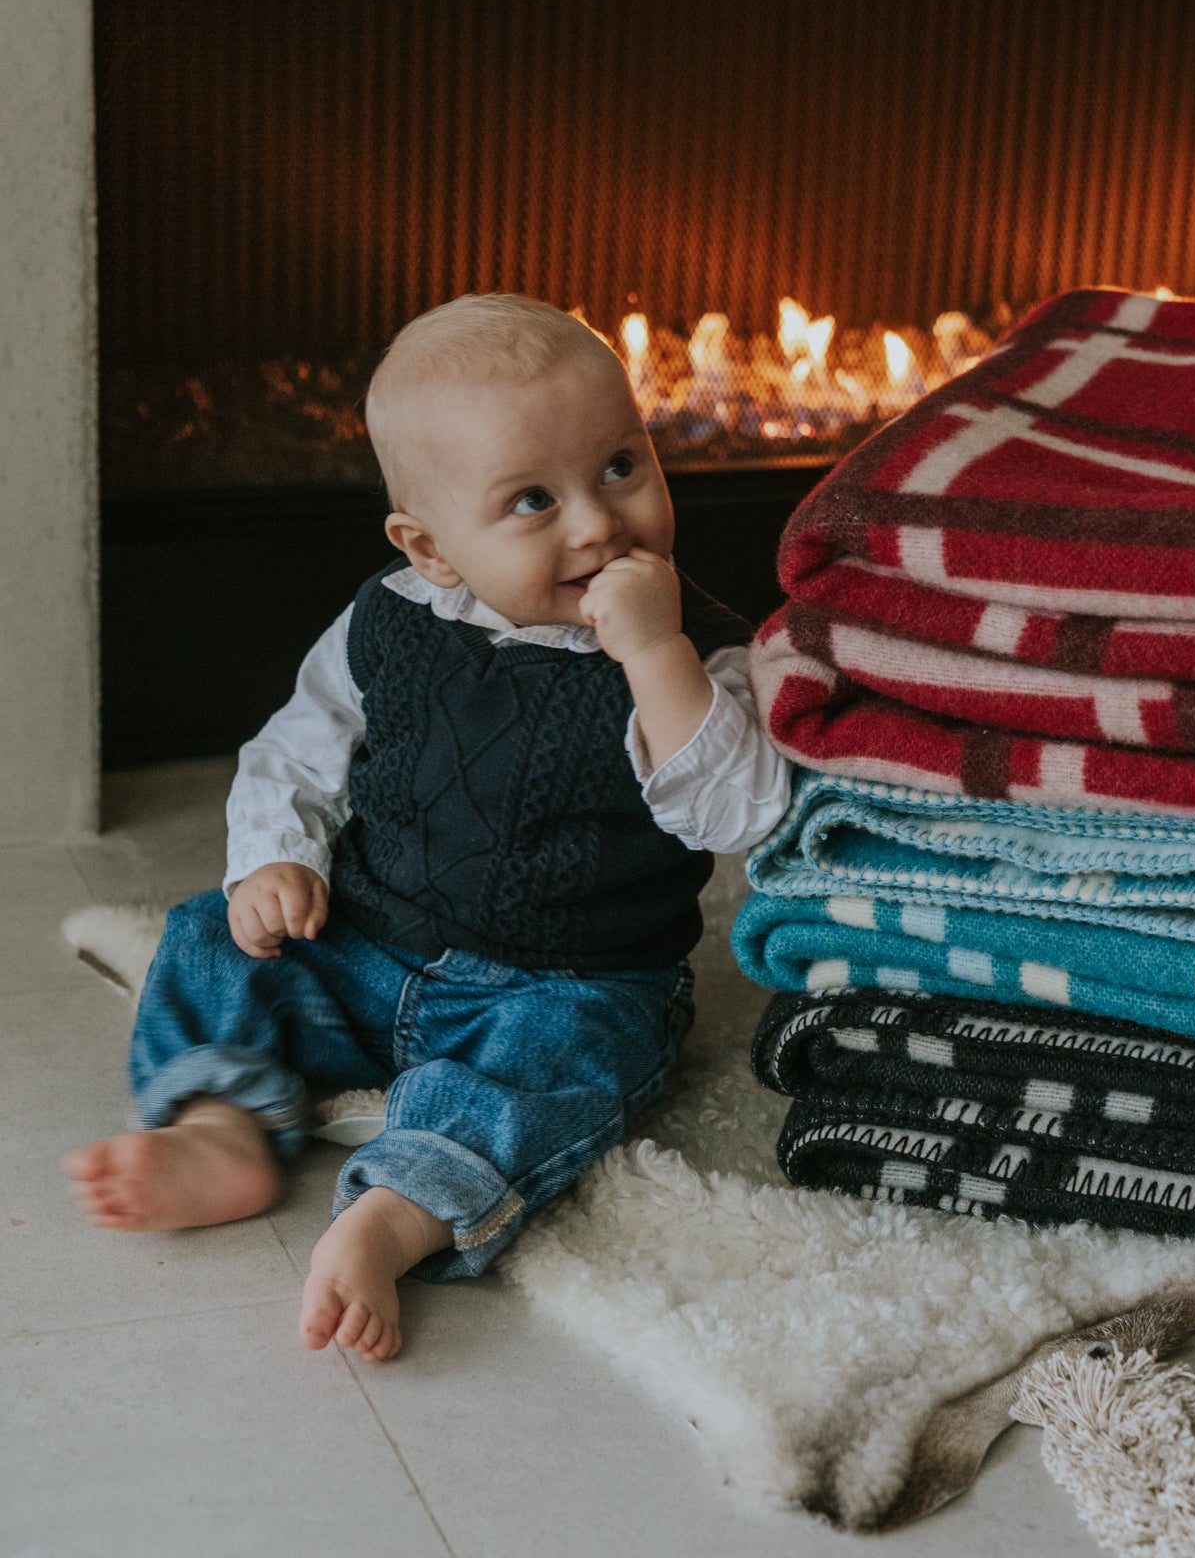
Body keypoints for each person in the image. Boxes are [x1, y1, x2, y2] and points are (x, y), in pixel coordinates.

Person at [65, 294, 791, 1363]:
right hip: (369, 941)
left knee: (566, 1067)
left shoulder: (702, 650)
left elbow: (743, 807)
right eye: (533, 499)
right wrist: (275, 860)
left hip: (565, 978)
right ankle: (221, 1122)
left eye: (621, 467)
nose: (597, 522)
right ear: (431, 546)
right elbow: (295, 749)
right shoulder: (390, 617)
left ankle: (400, 1211)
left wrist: (652, 656)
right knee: (210, 938)